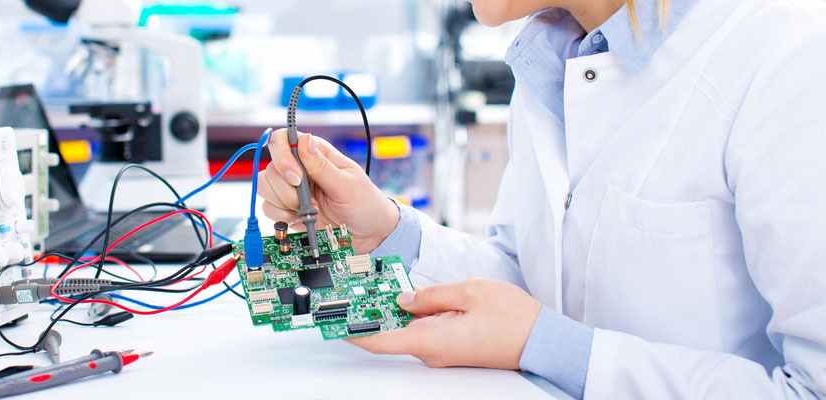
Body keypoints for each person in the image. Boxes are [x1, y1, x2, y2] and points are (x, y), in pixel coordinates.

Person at [257, 0, 826, 398]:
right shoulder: (550, 58)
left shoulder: (787, 55)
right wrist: (385, 231)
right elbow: (533, 282)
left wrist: (547, 346)